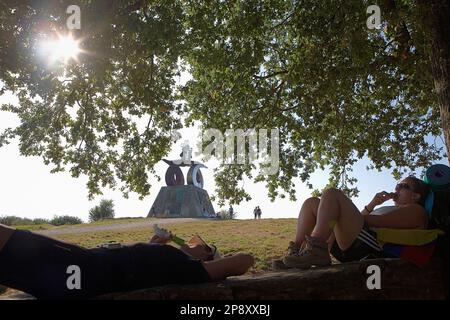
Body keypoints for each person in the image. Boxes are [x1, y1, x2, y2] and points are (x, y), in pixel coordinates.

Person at [0, 224, 254, 299]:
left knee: (13, 243)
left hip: (83, 270)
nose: (190, 243)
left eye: (199, 245)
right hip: (84, 268)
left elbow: (244, 260)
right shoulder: (172, 260)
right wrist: (155, 244)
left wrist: (210, 263)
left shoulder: (190, 269)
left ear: (206, 256)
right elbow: (142, 264)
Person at [275, 176, 430, 269]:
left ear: (415, 196)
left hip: (370, 250)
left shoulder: (416, 210)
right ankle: (295, 253)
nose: (397, 188)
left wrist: (340, 214)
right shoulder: (389, 208)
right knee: (312, 203)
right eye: (397, 185)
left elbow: (377, 222)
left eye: (403, 186)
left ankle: (316, 249)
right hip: (356, 242)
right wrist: (372, 205)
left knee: (332, 194)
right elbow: (359, 223)